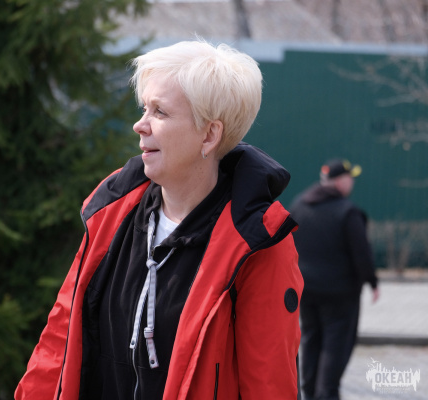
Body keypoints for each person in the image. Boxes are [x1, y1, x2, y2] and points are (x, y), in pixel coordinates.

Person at [15, 39, 303, 400]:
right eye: (144, 109)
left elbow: (269, 384)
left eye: (160, 112)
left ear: (209, 135)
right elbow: (60, 340)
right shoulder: (110, 211)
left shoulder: (257, 242)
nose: (140, 125)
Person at [289, 159, 380, 400]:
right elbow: (361, 254)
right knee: (335, 344)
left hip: (306, 290)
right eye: (350, 178)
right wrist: (372, 281)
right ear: (341, 181)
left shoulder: (299, 205)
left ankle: (309, 391)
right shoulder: (347, 212)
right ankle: (327, 393)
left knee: (310, 339)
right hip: (340, 294)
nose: (352, 183)